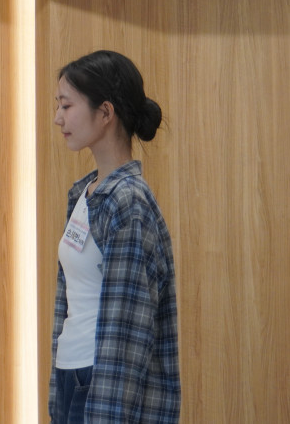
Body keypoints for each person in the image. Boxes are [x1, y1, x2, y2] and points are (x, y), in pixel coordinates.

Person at [50, 50, 180, 423]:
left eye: (67, 106)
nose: (58, 118)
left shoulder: (128, 201)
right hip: (72, 374)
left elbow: (128, 331)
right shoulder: (84, 192)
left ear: (105, 112)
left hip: (102, 385)